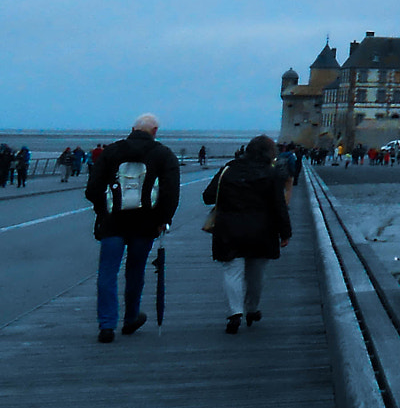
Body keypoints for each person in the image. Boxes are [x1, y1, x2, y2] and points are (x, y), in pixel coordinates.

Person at [86, 114, 181, 342]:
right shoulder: (163, 154)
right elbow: (170, 193)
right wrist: (163, 219)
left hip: (113, 222)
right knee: (135, 271)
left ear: (132, 128)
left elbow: (92, 189)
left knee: (108, 271)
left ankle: (107, 325)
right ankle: (130, 318)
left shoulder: (111, 152)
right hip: (145, 223)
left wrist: (103, 211)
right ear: (155, 131)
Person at [204, 135, 292, 334]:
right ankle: (252, 309)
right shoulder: (271, 174)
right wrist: (285, 233)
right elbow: (279, 206)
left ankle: (234, 313)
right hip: (262, 230)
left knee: (232, 271)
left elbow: (208, 196)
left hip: (229, 229)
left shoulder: (228, 169)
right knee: (256, 274)